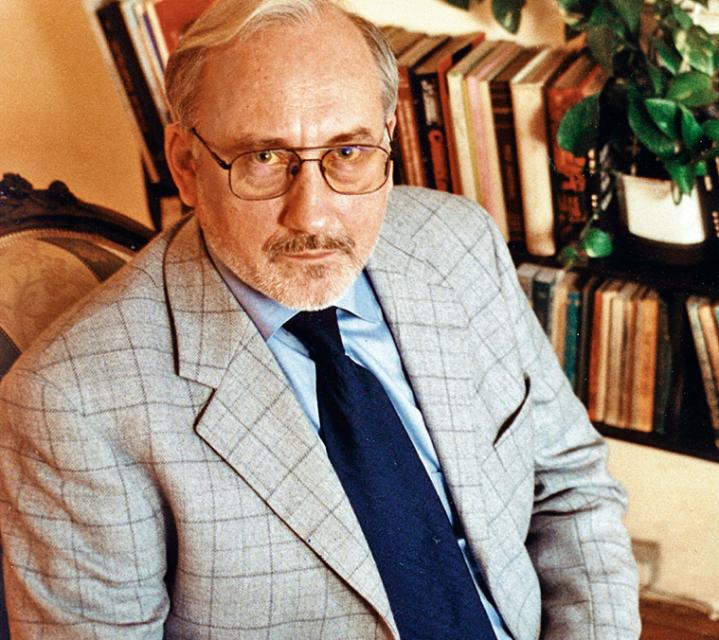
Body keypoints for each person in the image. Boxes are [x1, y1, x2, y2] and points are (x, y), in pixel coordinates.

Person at [0, 0, 640, 637]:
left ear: (388, 137)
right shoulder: (72, 403)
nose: (312, 214)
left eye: (348, 151)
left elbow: (573, 489)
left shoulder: (459, 242)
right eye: (263, 158)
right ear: (186, 166)